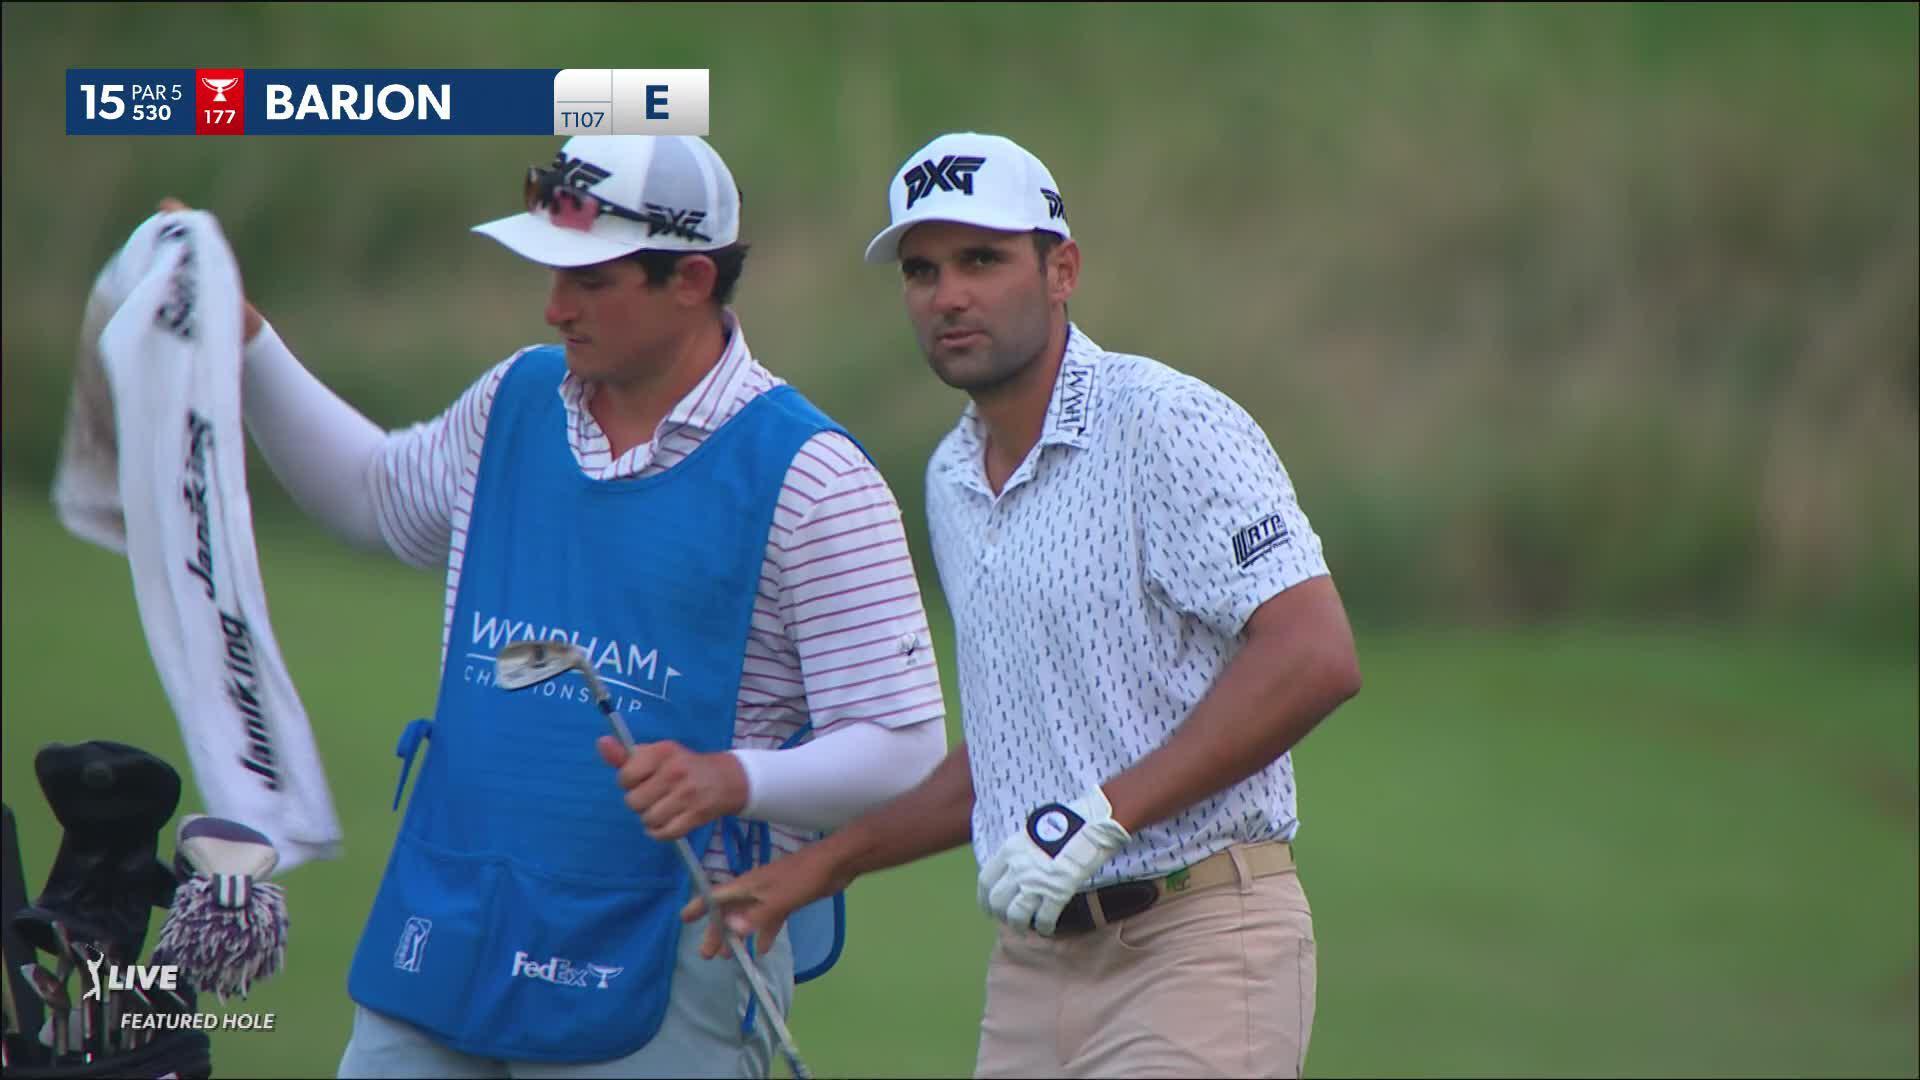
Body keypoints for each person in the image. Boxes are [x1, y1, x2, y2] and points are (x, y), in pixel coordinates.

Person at [162, 133, 949, 1078]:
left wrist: (733, 779)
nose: (555, 305)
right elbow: (376, 498)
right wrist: (244, 343)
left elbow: (903, 747)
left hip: (665, 957)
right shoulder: (517, 397)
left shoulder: (816, 477)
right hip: (451, 913)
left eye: (591, 280)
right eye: (552, 273)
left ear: (691, 279)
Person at [683, 132, 1363, 1079]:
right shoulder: (950, 478)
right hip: (1033, 968)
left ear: (1061, 270)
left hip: (1201, 942)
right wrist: (828, 864)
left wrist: (1103, 812)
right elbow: (1010, 753)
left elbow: (1315, 653)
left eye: (982, 259)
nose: (947, 294)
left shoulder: (1165, 423)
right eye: (922, 270)